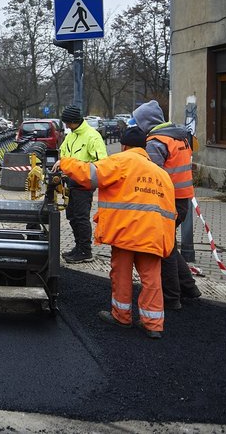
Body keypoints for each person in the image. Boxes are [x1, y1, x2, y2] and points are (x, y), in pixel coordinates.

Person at [59, 125, 177, 339]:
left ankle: (122, 317)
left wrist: (65, 162)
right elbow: (170, 211)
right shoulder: (161, 174)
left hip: (125, 233)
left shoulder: (121, 161)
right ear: (145, 147)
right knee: (152, 278)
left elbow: (90, 175)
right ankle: (154, 324)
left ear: (123, 145)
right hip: (153, 235)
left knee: (121, 274)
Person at [132, 99, 202, 310]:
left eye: (138, 121)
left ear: (146, 122)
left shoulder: (156, 141)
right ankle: (189, 288)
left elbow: (152, 175)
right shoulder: (179, 137)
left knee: (165, 249)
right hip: (182, 199)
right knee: (169, 245)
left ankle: (172, 298)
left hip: (167, 201)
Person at [54, 105, 108, 263]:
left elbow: (102, 163)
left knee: (81, 217)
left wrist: (78, 169)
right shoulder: (71, 136)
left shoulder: (93, 136)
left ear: (73, 121)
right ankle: (79, 247)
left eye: (67, 123)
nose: (66, 126)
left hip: (84, 185)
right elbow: (64, 155)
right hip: (70, 183)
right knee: (72, 216)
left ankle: (85, 250)